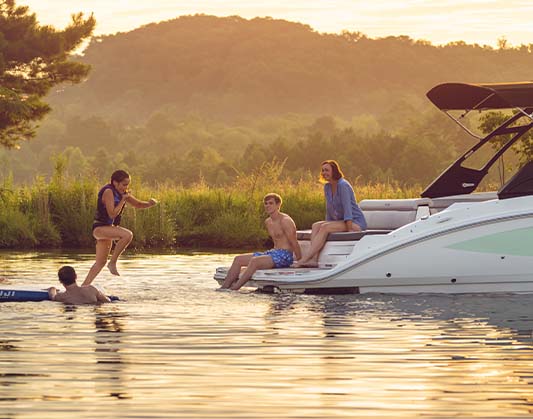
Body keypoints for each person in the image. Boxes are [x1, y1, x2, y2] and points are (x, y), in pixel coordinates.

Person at [83, 170, 157, 285]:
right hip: (100, 228)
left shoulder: (122, 192)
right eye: (124, 184)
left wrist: (149, 204)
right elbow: (112, 214)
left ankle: (83, 287)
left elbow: (137, 204)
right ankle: (112, 263)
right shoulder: (108, 191)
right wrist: (123, 200)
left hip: (108, 229)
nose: (126, 187)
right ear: (115, 183)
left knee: (100, 263)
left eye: (128, 184)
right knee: (127, 235)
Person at [292, 159, 367, 268]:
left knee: (325, 228)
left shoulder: (343, 185)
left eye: (327, 170)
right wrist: (328, 223)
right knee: (316, 225)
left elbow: (347, 209)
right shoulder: (327, 187)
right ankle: (313, 260)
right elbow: (329, 209)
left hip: (355, 222)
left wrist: (350, 231)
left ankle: (305, 259)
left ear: (334, 171)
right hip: (341, 221)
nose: (324, 173)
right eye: (322, 170)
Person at [220, 193, 302, 291]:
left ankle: (235, 288)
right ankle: (224, 288)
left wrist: (300, 262)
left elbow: (294, 242)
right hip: (273, 253)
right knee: (238, 259)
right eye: (266, 203)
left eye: (271, 203)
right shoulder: (268, 222)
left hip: (285, 256)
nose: (267, 206)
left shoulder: (285, 221)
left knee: (255, 261)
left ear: (278, 205)